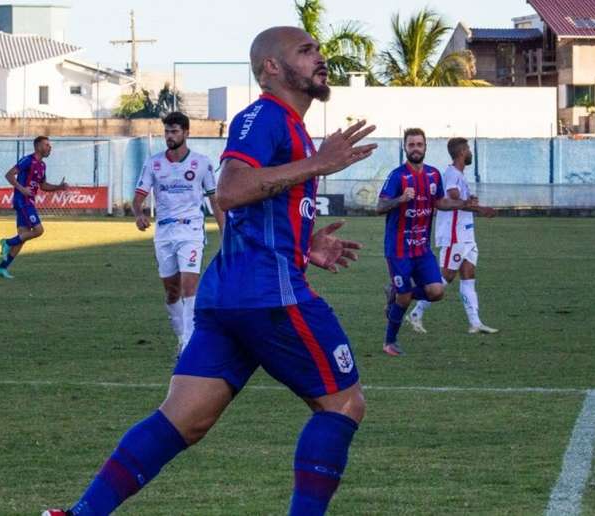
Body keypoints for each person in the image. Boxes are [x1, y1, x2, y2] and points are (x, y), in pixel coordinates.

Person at [43, 26, 377, 516]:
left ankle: (80, 514)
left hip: (228, 298)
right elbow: (231, 191)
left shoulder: (288, 126)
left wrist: (308, 246)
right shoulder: (267, 116)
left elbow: (258, 215)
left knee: (183, 420)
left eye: (319, 50)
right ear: (271, 68)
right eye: (305, 52)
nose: (319, 59)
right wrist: (318, 164)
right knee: (344, 404)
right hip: (271, 298)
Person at [376, 129, 478, 356]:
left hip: (422, 249)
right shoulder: (397, 176)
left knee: (436, 292)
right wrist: (401, 199)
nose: (415, 148)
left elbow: (440, 202)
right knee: (404, 298)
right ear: (405, 148)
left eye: (419, 144)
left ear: (425, 147)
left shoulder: (433, 175)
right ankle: (389, 342)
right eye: (411, 144)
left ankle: (395, 290)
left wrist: (463, 203)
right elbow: (379, 207)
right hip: (399, 249)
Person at [133, 112, 225, 355]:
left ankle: (188, 344)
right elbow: (139, 196)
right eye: (167, 132)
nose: (169, 136)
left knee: (188, 285)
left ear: (186, 133)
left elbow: (215, 200)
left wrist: (225, 230)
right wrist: (139, 214)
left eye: (174, 131)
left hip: (191, 229)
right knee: (172, 292)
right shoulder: (153, 163)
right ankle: (181, 335)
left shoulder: (202, 163)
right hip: (164, 231)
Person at [408, 138, 498, 335]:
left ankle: (475, 323)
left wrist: (475, 206)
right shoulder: (452, 174)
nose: (470, 153)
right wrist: (477, 206)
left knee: (468, 276)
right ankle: (411, 307)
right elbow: (452, 195)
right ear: (462, 152)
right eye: (468, 150)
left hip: (466, 235)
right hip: (454, 236)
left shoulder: (459, 174)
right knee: (445, 278)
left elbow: (462, 202)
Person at [0, 136, 68, 279]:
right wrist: (22, 189)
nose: (49, 148)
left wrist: (59, 187)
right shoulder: (28, 160)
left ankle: (1, 268)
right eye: (47, 145)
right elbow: (9, 175)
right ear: (38, 146)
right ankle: (7, 242)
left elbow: (43, 186)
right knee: (39, 230)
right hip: (23, 200)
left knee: (23, 236)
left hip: (29, 200)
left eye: (50, 145)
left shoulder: (42, 166)